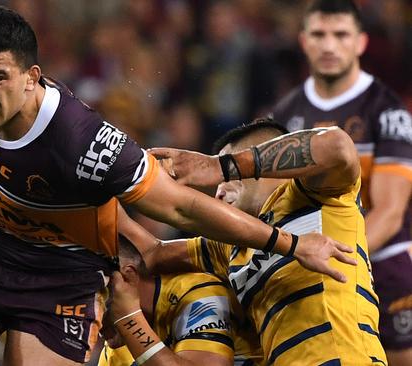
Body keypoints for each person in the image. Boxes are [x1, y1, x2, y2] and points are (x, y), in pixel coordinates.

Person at [0, 7, 353, 365]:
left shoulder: (88, 144)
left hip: (60, 281)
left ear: (32, 79)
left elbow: (182, 210)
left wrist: (290, 243)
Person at [149, 120, 387, 365]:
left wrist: (221, 166)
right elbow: (151, 253)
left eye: (226, 180)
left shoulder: (320, 197)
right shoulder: (232, 248)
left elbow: (338, 146)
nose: (218, 192)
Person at [270, 1, 412, 363]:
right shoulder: (285, 115)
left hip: (382, 263)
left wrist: (334, 259)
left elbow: (390, 212)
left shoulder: (387, 110)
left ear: (361, 43)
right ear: (304, 42)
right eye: (319, 34)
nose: (329, 45)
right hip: (313, 264)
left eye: (341, 35)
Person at [98, 233, 263, 366]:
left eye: (89, 296)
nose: (89, 314)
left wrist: (130, 320)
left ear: (127, 277)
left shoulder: (196, 291)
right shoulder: (116, 350)